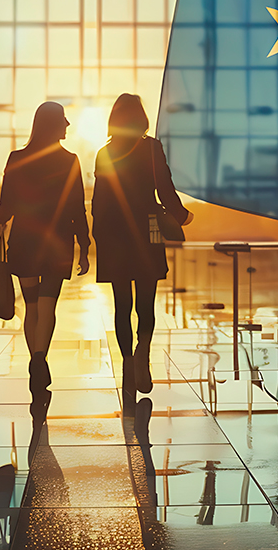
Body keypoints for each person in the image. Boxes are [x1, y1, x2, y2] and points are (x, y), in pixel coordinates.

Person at [91, 93, 192, 402]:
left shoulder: (104, 153)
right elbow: (164, 186)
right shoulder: (151, 148)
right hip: (147, 229)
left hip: (114, 233)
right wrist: (181, 215)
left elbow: (99, 200)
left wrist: (96, 236)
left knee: (122, 304)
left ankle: (127, 362)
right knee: (145, 301)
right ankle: (142, 354)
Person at [0, 101, 90, 413]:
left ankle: (35, 359)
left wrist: (0, 216)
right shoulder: (70, 160)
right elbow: (77, 206)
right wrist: (84, 245)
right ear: (53, 124)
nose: (69, 125)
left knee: (31, 306)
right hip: (57, 242)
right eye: (64, 120)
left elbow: (6, 202)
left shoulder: (17, 158)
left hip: (25, 240)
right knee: (48, 305)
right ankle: (40, 359)